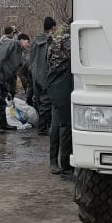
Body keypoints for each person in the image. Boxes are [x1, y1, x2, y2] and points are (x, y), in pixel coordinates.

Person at [0, 32, 30, 133]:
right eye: (28, 42)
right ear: (22, 40)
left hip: (5, 78)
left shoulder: (20, 53)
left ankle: (3, 123)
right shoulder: (11, 43)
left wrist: (12, 89)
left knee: (2, 100)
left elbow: (14, 72)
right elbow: (1, 55)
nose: (28, 45)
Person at [48, 20, 74, 177]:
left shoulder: (54, 40)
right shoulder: (69, 41)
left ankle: (53, 162)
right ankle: (66, 167)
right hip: (63, 85)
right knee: (65, 125)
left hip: (53, 84)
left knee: (56, 124)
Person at [30, 17, 56, 136]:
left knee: (39, 101)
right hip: (45, 74)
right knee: (46, 103)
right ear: (52, 28)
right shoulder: (51, 41)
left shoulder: (35, 40)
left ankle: (42, 126)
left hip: (35, 74)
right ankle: (42, 128)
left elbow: (31, 58)